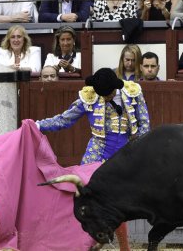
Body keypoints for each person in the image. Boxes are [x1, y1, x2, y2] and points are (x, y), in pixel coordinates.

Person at [36, 67, 150, 251]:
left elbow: (144, 125)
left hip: (127, 152)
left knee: (117, 202)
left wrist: (141, 152)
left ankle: (124, 248)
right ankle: (82, 244)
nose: (105, 98)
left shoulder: (133, 92)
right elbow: (64, 120)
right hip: (98, 152)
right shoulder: (89, 96)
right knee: (84, 197)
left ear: (116, 88)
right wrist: (38, 125)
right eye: (102, 95)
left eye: (109, 94)